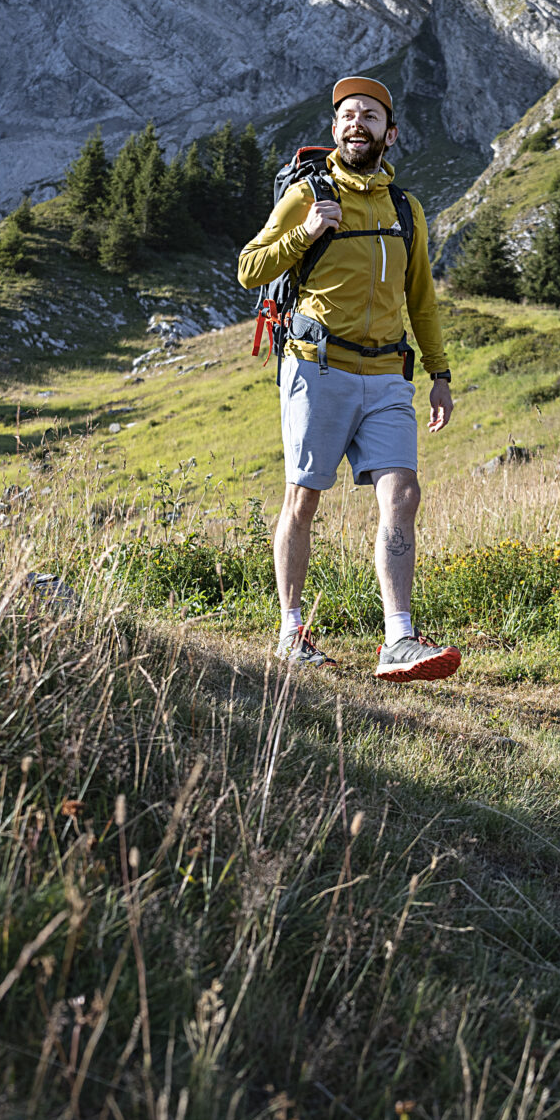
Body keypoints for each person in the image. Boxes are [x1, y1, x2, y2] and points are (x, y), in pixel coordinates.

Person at [238, 75, 460, 679]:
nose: (355, 123)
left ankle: (399, 638)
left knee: (403, 494)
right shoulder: (308, 194)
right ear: (334, 131)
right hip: (318, 366)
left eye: (368, 115)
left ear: (391, 133)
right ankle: (290, 629)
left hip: (389, 374)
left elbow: (423, 300)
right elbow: (249, 267)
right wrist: (307, 232)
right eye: (346, 116)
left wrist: (439, 373)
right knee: (302, 500)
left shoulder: (406, 209)